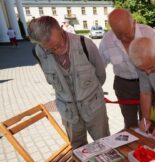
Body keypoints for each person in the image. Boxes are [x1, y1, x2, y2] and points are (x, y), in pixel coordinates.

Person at [28, 16, 110, 149]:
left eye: (59, 43)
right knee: (78, 148)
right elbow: (50, 81)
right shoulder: (38, 52)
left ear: (61, 29)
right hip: (68, 112)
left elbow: (101, 75)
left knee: (104, 143)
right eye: (51, 49)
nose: (58, 49)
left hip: (94, 107)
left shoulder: (85, 43)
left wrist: (87, 94)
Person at [99, 8, 155, 129]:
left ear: (134, 23)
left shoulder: (148, 33)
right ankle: (134, 147)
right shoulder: (107, 40)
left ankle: (147, 145)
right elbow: (99, 67)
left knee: (148, 122)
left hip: (148, 82)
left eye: (127, 33)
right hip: (123, 86)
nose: (124, 38)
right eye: (119, 35)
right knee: (130, 123)